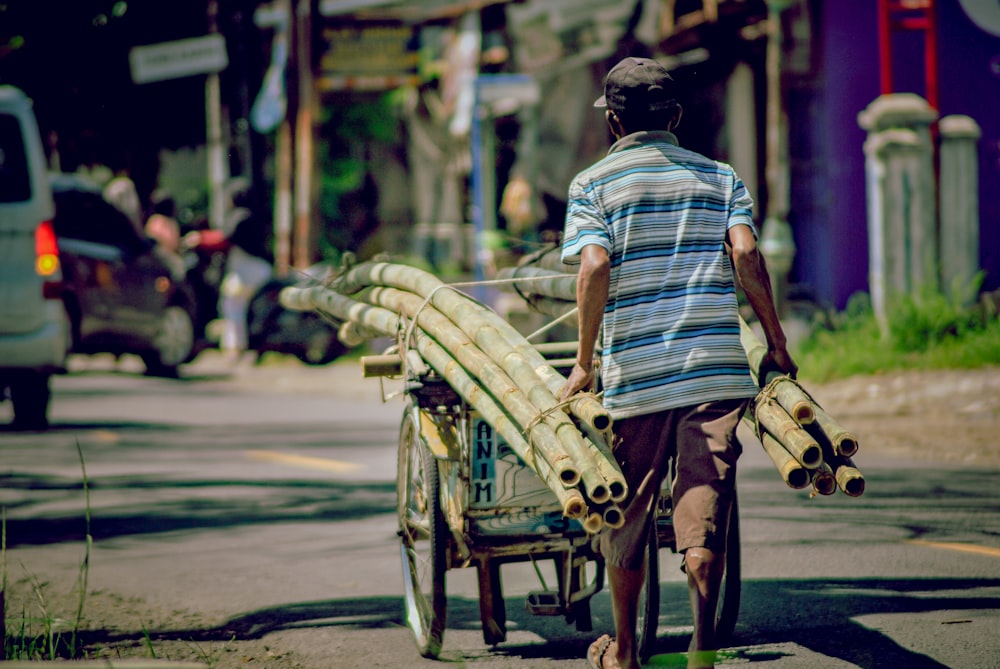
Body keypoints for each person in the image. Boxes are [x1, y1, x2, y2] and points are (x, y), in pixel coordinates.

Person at [559, 57, 797, 669]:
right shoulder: (721, 178)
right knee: (702, 504)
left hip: (637, 375)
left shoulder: (593, 185)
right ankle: (699, 649)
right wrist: (775, 341)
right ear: (677, 116)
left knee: (627, 509)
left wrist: (584, 364)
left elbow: (593, 267)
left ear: (613, 122)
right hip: (717, 371)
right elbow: (746, 254)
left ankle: (628, 652)